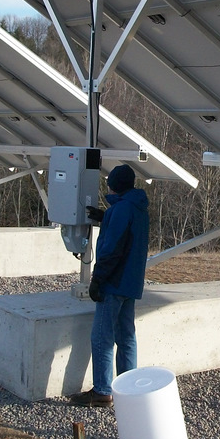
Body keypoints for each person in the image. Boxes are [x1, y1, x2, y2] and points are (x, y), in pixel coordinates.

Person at [70, 163, 149, 407]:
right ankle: (128, 387)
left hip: (113, 283)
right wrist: (106, 217)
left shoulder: (122, 210)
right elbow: (128, 232)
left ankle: (103, 391)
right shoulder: (136, 207)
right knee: (126, 336)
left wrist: (97, 280)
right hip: (130, 283)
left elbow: (112, 249)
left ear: (114, 185)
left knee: (102, 337)